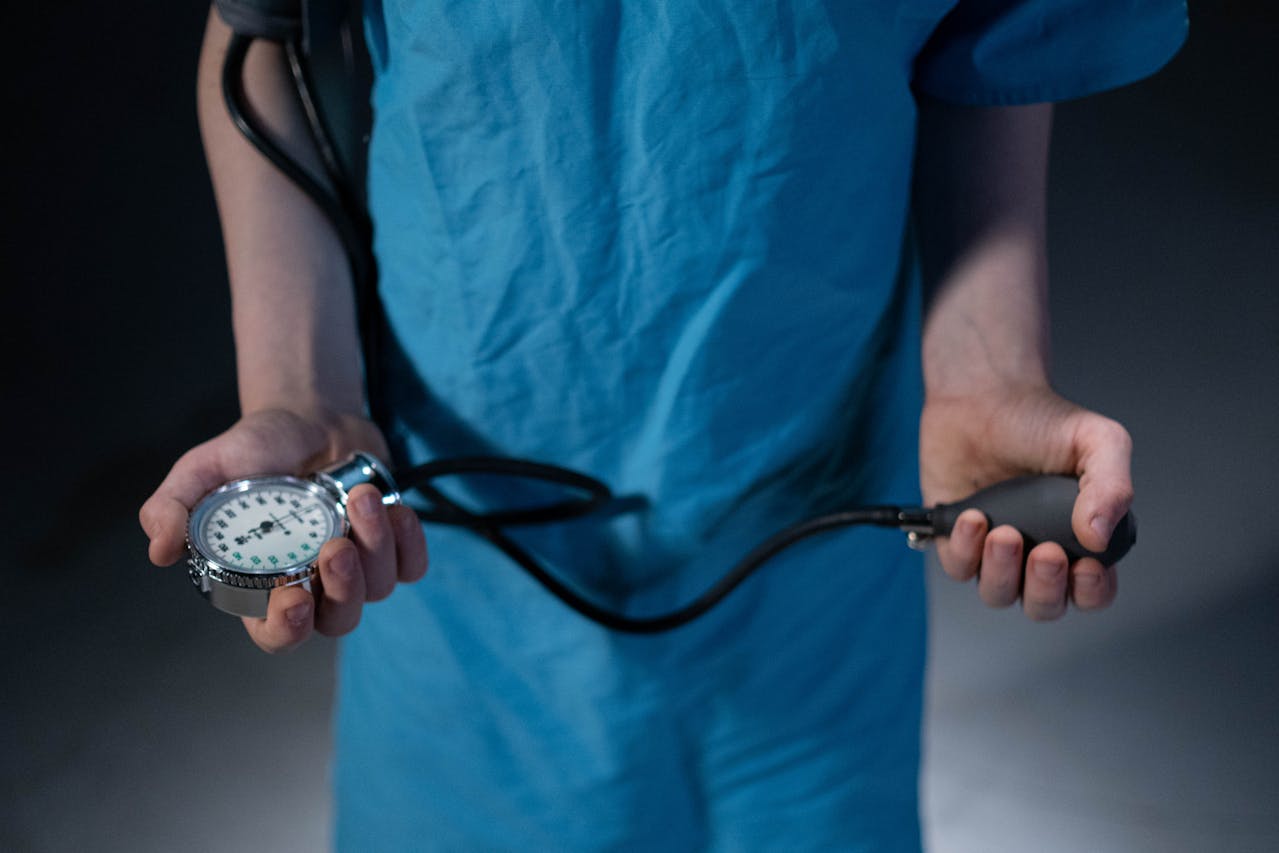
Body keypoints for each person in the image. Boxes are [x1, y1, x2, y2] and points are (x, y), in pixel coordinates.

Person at [141, 1, 1186, 848]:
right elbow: (262, 44)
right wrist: (300, 392)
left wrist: (986, 370)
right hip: (449, 564)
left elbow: (987, 52)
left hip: (816, 541)